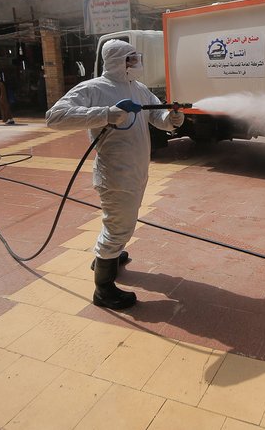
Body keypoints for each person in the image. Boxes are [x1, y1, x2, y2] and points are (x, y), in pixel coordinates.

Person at [45, 39, 184, 310]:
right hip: (115, 174)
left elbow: (158, 117)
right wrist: (106, 113)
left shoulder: (139, 89)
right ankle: (104, 289)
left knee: (120, 220)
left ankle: (108, 256)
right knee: (119, 226)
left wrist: (172, 120)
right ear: (118, 60)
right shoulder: (93, 88)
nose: (137, 63)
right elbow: (55, 117)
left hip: (137, 171)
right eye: (132, 59)